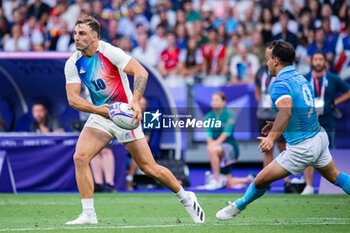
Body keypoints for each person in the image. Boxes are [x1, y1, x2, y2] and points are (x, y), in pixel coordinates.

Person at [64, 16, 204, 224]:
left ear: (95, 37)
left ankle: (186, 197)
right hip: (101, 115)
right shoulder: (73, 63)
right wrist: (98, 110)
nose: (76, 37)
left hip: (125, 115)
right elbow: (72, 99)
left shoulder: (109, 52)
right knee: (80, 157)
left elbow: (141, 72)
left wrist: (136, 102)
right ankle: (88, 214)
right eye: (75, 33)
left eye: (82, 33)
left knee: (149, 168)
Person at [216, 40, 350, 221]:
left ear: (276, 61)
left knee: (261, 179)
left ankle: (238, 206)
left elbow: (286, 111)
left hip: (302, 147)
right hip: (318, 136)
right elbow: (299, 110)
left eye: (268, 59)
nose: (267, 63)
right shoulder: (301, 77)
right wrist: (278, 124)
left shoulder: (279, 83)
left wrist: (271, 138)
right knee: (336, 176)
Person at [300, 52, 350, 195]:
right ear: (312, 62)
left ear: (324, 62)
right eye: (315, 59)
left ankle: (333, 185)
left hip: (327, 122)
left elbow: (348, 91)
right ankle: (308, 186)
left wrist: (336, 102)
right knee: (308, 152)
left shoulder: (333, 79)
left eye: (320, 59)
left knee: (329, 153)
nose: (318, 62)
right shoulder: (305, 79)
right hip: (310, 123)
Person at [255, 46, 286, 171]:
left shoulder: (281, 72)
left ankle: (287, 181)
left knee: (283, 147)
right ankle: (265, 180)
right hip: (263, 114)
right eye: (267, 55)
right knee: (267, 148)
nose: (268, 57)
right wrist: (262, 104)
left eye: (271, 55)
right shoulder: (260, 71)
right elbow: (257, 91)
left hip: (278, 115)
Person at [205, 92, 240, 190]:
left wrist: (213, 145)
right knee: (228, 183)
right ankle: (249, 179)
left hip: (230, 147)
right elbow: (208, 135)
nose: (214, 102)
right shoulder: (208, 116)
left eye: (217, 100)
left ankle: (216, 179)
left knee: (212, 149)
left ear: (224, 102)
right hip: (216, 148)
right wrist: (211, 144)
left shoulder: (229, 114)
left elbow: (226, 133)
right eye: (213, 100)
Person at [126, 97, 161, 190]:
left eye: (144, 105)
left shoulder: (150, 117)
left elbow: (146, 139)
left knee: (137, 153)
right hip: (126, 143)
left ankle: (129, 178)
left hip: (140, 146)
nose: (142, 106)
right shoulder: (127, 116)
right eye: (140, 104)